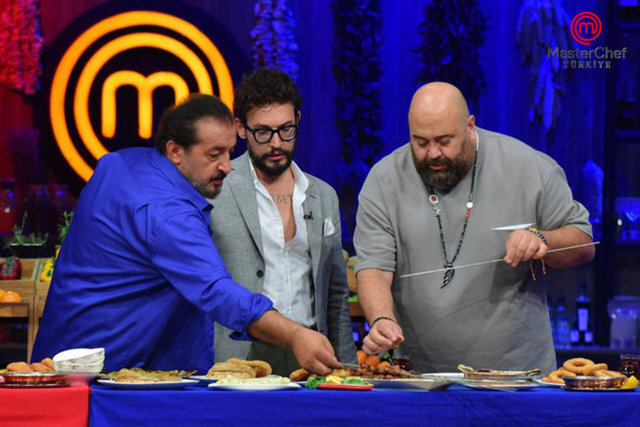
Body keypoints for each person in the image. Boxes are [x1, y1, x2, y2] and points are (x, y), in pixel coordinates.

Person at [32, 94, 343, 375]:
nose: (227, 166)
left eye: (229, 152)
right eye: (214, 154)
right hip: (103, 370)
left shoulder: (121, 163)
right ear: (176, 151)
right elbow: (215, 291)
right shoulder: (167, 213)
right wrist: (295, 335)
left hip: (61, 355)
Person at [354, 82, 595, 375]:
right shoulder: (384, 179)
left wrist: (543, 240)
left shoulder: (528, 166)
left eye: (444, 141)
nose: (433, 153)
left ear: (470, 126)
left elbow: (583, 244)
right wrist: (381, 319)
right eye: (420, 142)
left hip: (518, 378)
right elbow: (374, 268)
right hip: (416, 377)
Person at [210, 69, 356, 375]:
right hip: (241, 355)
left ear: (298, 120)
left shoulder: (323, 195)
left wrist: (347, 371)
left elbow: (336, 297)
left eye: (286, 129)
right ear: (240, 128)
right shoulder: (217, 190)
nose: (277, 142)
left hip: (311, 354)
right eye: (263, 132)